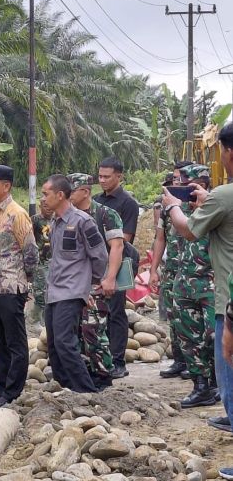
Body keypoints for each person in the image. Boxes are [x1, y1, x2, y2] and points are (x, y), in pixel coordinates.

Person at [162, 123, 233, 480]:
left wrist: (175, 206)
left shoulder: (223, 196)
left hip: (223, 297)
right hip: (206, 289)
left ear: (227, 152)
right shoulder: (219, 199)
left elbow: (188, 229)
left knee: (227, 366)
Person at [0, 165, 38, 411]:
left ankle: (12, 392)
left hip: (10, 287)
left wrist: (25, 282)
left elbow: (31, 253)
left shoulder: (17, 214)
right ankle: (0, 390)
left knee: (15, 341)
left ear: (6, 185)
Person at [42, 175, 109, 394]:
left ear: (60, 195)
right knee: (54, 345)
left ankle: (86, 391)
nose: (43, 199)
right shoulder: (54, 222)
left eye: (46, 194)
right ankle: (66, 389)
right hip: (54, 291)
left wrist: (89, 285)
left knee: (65, 342)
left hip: (71, 292)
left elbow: (100, 256)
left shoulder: (82, 221)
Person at [67, 173, 125, 390]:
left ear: (85, 191)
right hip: (73, 283)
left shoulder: (105, 214)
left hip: (97, 282)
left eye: (72, 191)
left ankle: (103, 373)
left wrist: (110, 278)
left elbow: (117, 247)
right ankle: (84, 374)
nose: (69, 195)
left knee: (94, 329)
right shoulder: (67, 216)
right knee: (75, 330)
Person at [168, 164, 217, 408]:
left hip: (212, 282)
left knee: (214, 336)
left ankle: (220, 383)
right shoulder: (178, 212)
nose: (185, 190)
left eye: (189, 185)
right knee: (189, 337)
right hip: (184, 283)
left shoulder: (216, 206)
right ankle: (201, 387)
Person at [94, 156, 139, 379]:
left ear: (119, 177)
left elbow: (125, 239)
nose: (102, 180)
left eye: (107, 177)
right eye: (99, 176)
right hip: (96, 262)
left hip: (121, 261)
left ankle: (118, 360)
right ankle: (100, 358)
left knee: (116, 311)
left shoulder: (127, 203)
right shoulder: (94, 201)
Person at [150, 162, 193, 379]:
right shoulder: (167, 207)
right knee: (174, 317)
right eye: (175, 178)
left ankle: (195, 365)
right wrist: (154, 269)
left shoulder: (200, 203)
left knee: (193, 319)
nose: (177, 182)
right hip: (172, 268)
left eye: (181, 179)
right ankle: (179, 360)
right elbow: (160, 238)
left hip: (195, 270)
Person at [30, 203, 53, 329]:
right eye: (45, 206)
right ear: (40, 206)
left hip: (53, 260)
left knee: (50, 290)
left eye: (50, 206)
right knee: (40, 290)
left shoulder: (56, 219)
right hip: (39, 260)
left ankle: (46, 319)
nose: (48, 208)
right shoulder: (35, 220)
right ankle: (35, 319)